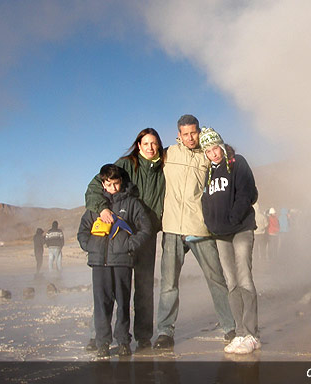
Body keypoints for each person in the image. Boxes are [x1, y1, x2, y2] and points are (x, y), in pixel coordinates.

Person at [153, 115, 235, 349]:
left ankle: (230, 327)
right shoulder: (168, 154)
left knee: (216, 279)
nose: (189, 138)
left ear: (199, 131)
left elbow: (227, 172)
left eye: (193, 133)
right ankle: (165, 332)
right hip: (171, 229)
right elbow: (140, 166)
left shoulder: (207, 155)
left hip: (200, 226)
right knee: (169, 284)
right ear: (178, 134)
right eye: (185, 134)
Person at [84, 128, 165, 352]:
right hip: (122, 239)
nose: (150, 147)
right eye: (145, 143)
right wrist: (101, 209)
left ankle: (143, 335)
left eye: (154, 143)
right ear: (138, 145)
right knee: (111, 290)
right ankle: (98, 335)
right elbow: (95, 186)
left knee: (144, 287)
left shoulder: (165, 165)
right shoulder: (126, 164)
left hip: (146, 235)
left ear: (159, 145)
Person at [78, 164, 152, 358]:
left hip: (122, 262)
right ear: (102, 184)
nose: (112, 188)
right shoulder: (95, 207)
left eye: (116, 183)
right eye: (108, 184)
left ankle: (123, 341)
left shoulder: (132, 204)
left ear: (121, 182)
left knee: (123, 303)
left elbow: (145, 228)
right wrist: (90, 246)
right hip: (99, 263)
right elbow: (83, 231)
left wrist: (129, 245)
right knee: (102, 303)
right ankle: (102, 342)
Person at [200, 127, 261, 354]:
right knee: (231, 282)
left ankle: (252, 334)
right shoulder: (209, 173)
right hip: (220, 234)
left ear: (222, 145)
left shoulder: (237, 163)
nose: (213, 154)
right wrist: (211, 224)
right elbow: (206, 202)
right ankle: (239, 332)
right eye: (208, 150)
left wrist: (232, 218)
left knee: (244, 278)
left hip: (241, 229)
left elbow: (246, 193)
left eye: (215, 148)